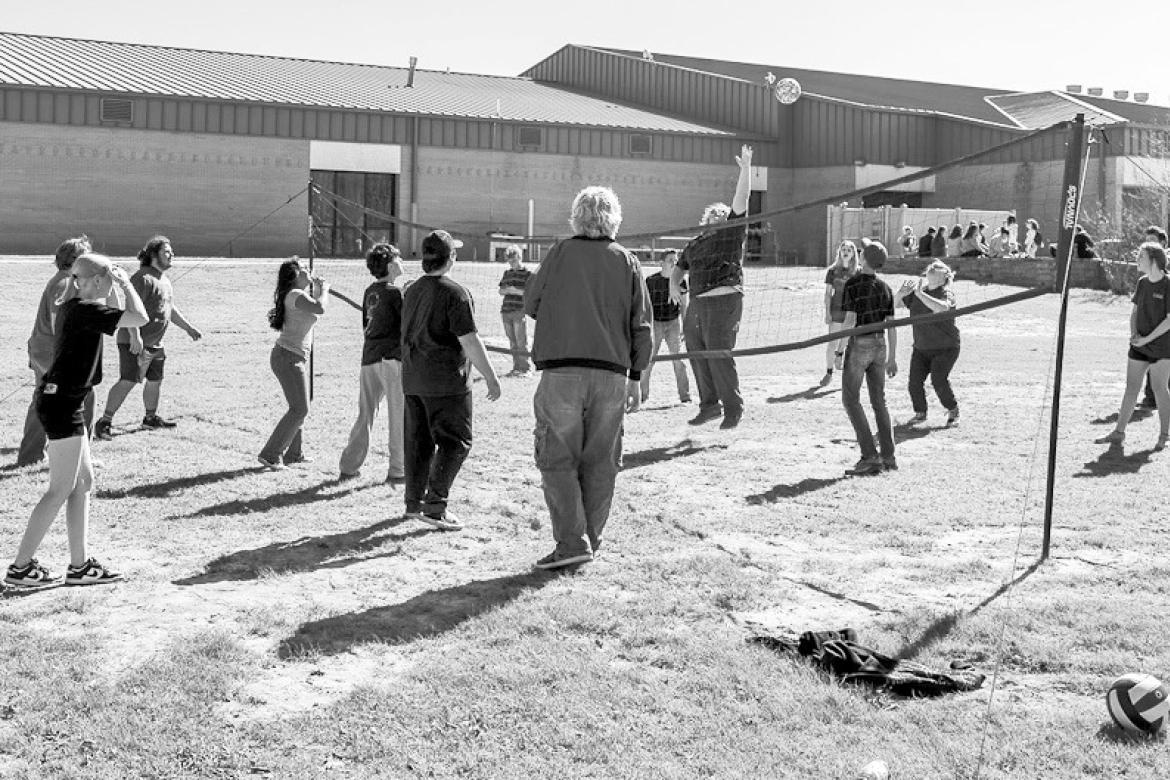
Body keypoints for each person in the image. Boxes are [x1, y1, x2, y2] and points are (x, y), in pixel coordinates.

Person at [525, 186, 651, 569]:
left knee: (557, 458)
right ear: (613, 219)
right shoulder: (628, 261)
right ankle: (588, 539)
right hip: (612, 375)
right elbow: (641, 325)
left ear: (577, 217)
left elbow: (531, 303)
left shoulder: (561, 253)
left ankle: (572, 542)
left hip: (563, 371)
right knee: (601, 461)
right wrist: (636, 377)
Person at [5, 254, 148, 588]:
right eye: (108, 277)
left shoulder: (76, 306)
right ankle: (20, 568)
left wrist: (111, 282)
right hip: (62, 404)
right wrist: (126, 281)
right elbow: (139, 317)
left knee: (82, 483)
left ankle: (79, 566)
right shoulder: (86, 309)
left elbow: (115, 311)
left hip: (65, 400)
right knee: (60, 489)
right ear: (97, 280)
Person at [401, 230, 501, 531]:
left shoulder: (412, 290)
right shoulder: (455, 293)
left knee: (418, 443)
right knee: (456, 442)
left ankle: (414, 504)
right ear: (451, 258)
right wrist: (492, 377)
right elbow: (469, 340)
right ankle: (435, 507)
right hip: (445, 381)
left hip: (413, 378)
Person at [671, 144, 752, 429]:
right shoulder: (696, 244)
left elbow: (741, 199)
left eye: (723, 214)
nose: (719, 216)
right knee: (695, 350)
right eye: (714, 215)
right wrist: (673, 285)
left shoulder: (731, 234)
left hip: (724, 297)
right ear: (705, 221)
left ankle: (733, 408)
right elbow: (679, 268)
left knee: (719, 352)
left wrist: (746, 170)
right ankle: (709, 406)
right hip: (697, 303)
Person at [94, 236, 202, 440]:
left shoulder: (164, 280)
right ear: (153, 255)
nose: (172, 255)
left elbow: (170, 308)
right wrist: (135, 337)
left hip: (156, 344)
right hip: (134, 342)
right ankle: (104, 422)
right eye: (167, 252)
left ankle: (150, 418)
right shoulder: (142, 278)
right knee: (128, 380)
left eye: (171, 252)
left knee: (155, 380)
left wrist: (188, 328)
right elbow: (131, 308)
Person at [18, 236, 94, 467]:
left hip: (42, 350)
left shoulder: (62, 281)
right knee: (85, 396)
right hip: (52, 352)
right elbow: (57, 323)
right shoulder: (64, 284)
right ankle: (81, 457)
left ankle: (30, 456)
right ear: (78, 261)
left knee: (44, 400)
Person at [338, 243, 406, 483]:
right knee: (398, 415)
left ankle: (348, 466)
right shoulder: (395, 293)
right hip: (391, 360)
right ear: (390, 265)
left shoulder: (370, 291)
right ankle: (398, 471)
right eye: (398, 259)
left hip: (369, 358)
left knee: (365, 414)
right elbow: (405, 326)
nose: (402, 262)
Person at [1095, 242, 1170, 451]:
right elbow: (1135, 311)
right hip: (1139, 345)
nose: (1137, 260)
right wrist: (1133, 334)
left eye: (1141, 257)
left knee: (1160, 389)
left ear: (1154, 260)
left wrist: (1146, 339)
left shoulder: (1168, 284)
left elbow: (1168, 321)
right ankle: (1118, 433)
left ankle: (1164, 435)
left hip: (1161, 348)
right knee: (1131, 389)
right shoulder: (1142, 282)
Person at [258, 258, 328, 469]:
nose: (309, 270)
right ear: (295, 276)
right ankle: (271, 454)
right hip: (288, 358)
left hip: (292, 356)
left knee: (298, 407)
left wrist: (317, 289)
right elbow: (319, 308)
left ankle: (294, 454)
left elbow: (313, 306)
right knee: (300, 409)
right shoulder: (296, 295)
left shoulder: (298, 295)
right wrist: (324, 289)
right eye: (304, 269)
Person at [839, 239, 898, 476]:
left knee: (851, 400)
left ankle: (870, 456)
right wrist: (892, 357)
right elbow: (892, 326)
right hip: (880, 344)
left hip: (860, 343)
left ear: (862, 259)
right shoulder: (885, 288)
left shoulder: (852, 284)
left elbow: (850, 321)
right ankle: (889, 457)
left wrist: (838, 350)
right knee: (879, 401)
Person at [897, 260, 961, 427]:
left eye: (938, 267)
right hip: (921, 347)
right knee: (914, 382)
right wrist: (900, 293)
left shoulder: (946, 293)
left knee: (938, 380)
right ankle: (920, 413)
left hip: (946, 347)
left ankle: (953, 410)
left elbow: (942, 308)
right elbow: (895, 304)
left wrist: (919, 295)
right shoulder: (919, 292)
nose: (933, 267)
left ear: (944, 277)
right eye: (932, 266)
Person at [639, 250, 691, 405]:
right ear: (662, 263)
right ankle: (642, 395)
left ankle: (685, 396)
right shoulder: (651, 280)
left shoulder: (681, 281)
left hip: (673, 323)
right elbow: (644, 306)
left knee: (678, 360)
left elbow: (684, 305)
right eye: (670, 260)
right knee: (648, 360)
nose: (674, 263)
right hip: (655, 323)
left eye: (675, 260)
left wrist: (685, 326)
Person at [1135, 227, 1169, 411]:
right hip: (1151, 328)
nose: (1147, 244)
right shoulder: (1145, 279)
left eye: (1153, 240)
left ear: (1163, 244)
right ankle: (1151, 397)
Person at [822, 240, 858, 386]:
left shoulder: (858, 271)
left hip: (851, 311)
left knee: (848, 341)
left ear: (853, 254)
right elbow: (827, 294)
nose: (846, 252)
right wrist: (827, 313)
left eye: (849, 250)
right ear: (840, 252)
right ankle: (829, 373)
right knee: (832, 343)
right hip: (836, 310)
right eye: (844, 249)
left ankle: (840, 356)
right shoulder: (832, 271)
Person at [497, 244, 533, 376]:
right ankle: (516, 368)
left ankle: (525, 369)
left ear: (519, 257)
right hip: (505, 310)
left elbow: (529, 292)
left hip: (519, 310)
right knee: (512, 342)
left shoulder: (527, 273)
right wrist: (507, 290)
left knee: (521, 341)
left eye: (513, 260)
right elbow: (501, 290)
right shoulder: (507, 273)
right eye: (509, 261)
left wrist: (514, 291)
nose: (511, 263)